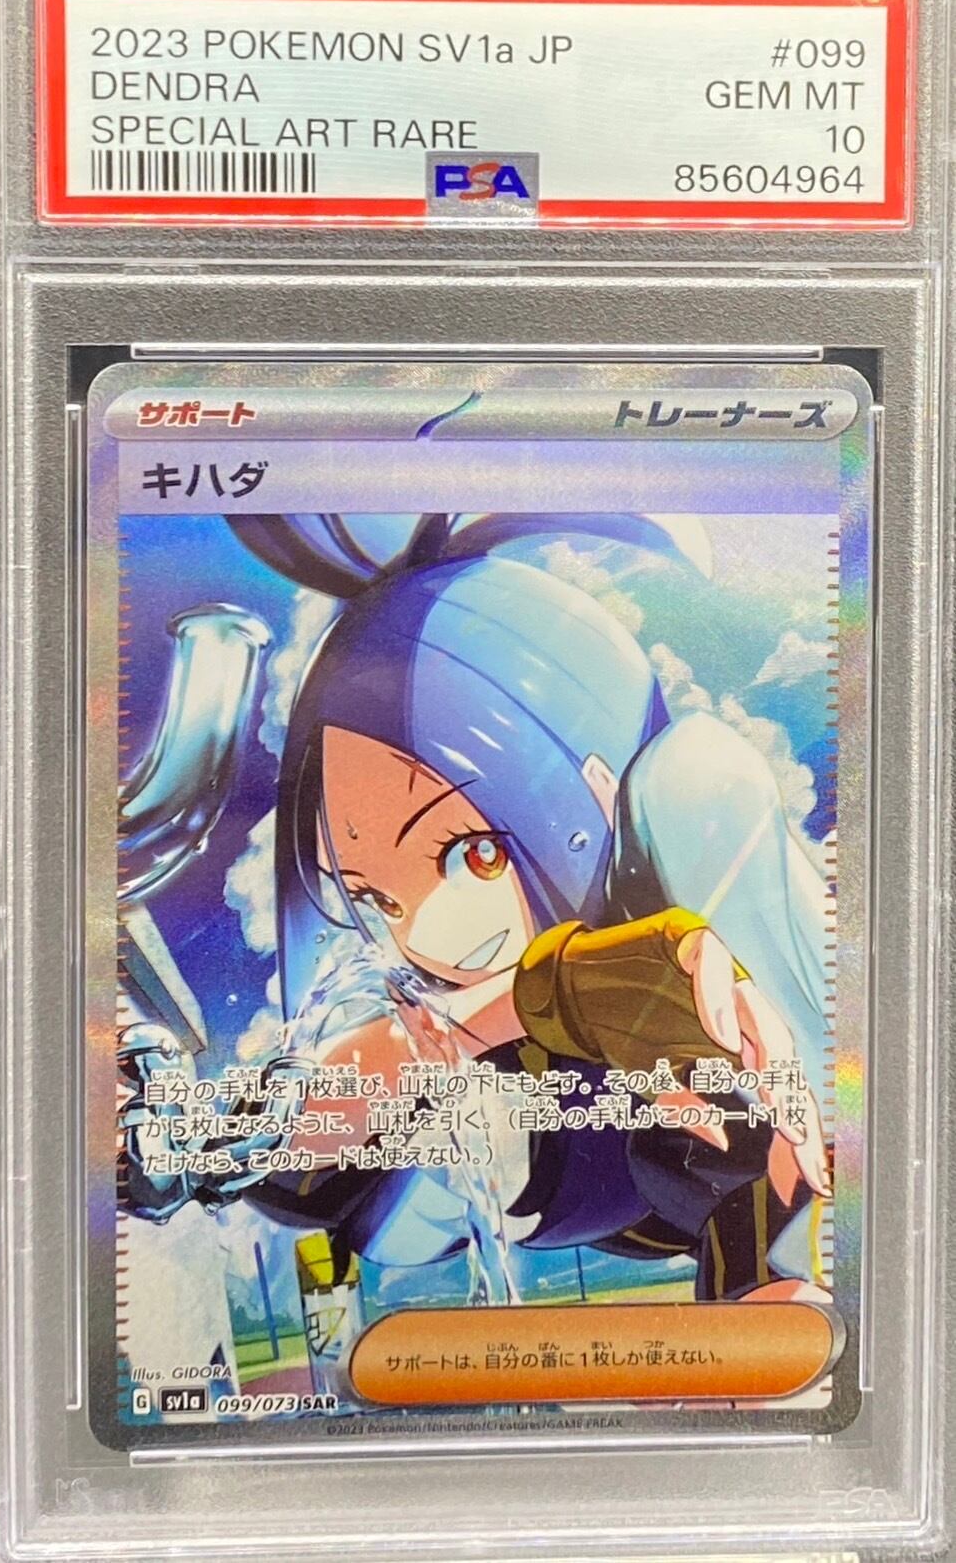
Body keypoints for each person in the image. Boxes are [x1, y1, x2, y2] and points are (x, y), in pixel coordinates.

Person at [124, 512, 831, 1304]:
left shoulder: (685, 851)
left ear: (594, 786)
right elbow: (330, 1109)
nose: (424, 930)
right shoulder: (435, 1018)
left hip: (711, 1152)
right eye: (373, 895)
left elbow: (760, 1075)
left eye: (471, 855)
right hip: (549, 1154)